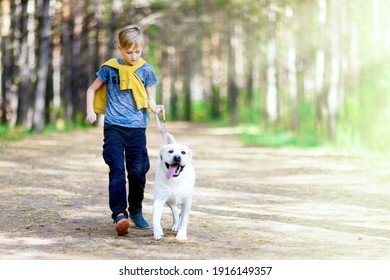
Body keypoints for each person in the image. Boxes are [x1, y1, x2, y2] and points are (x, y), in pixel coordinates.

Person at [85, 24, 163, 236]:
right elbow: (91, 90)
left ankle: (136, 210)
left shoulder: (145, 69)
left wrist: (155, 107)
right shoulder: (110, 68)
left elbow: (150, 97)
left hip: (137, 128)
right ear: (120, 48)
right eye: (129, 52)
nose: (134, 55)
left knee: (138, 172)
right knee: (117, 169)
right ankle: (120, 214)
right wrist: (90, 110)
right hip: (114, 128)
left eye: (138, 51)